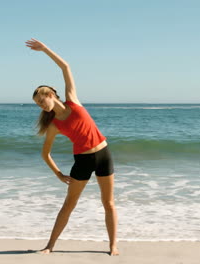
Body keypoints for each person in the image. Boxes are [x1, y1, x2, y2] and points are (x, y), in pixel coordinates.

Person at [25, 38, 119, 256]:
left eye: (41, 101)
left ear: (50, 95)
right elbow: (45, 153)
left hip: (104, 155)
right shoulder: (54, 125)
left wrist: (45, 49)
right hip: (83, 161)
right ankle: (49, 246)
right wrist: (58, 174)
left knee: (109, 203)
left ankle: (113, 247)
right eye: (38, 105)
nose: (40, 106)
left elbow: (65, 67)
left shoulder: (72, 100)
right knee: (69, 205)